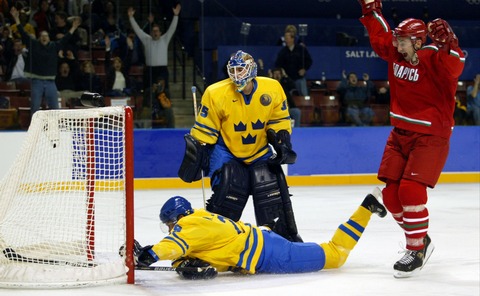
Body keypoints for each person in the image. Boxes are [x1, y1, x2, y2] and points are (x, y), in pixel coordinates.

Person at [356, 0, 465, 278]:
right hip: (400, 134)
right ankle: (421, 239)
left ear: (418, 42)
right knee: (391, 196)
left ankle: (416, 249)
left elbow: (456, 66)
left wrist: (450, 42)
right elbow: (380, 35)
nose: (397, 45)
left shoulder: (435, 58)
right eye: (398, 40)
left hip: (431, 135)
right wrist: (371, 10)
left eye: (403, 41)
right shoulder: (396, 54)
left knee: (410, 192)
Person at [178, 50, 302, 243]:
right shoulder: (215, 92)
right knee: (228, 186)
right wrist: (198, 156)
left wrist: (282, 141)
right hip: (226, 150)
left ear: (251, 70)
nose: (236, 75)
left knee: (271, 184)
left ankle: (284, 235)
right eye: (233, 70)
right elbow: (205, 130)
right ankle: (215, 240)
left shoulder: (272, 88)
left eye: (241, 69)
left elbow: (279, 119)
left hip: (259, 149)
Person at [134, 189, 387, 279]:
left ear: (176, 218)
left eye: (169, 223)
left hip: (270, 254)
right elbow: (187, 252)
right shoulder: (198, 221)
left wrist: (152, 254)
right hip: (264, 245)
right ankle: (366, 207)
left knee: (335, 255)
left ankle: (366, 208)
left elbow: (175, 244)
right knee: (332, 253)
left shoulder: (189, 226)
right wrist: (183, 265)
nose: (169, 228)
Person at [12, 6, 82, 115]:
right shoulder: (34, 44)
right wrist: (16, 19)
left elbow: (65, 38)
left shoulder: (54, 46)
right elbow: (23, 34)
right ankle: (33, 128)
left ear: (49, 38)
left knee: (54, 107)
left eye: (46, 36)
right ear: (39, 38)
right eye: (42, 36)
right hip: (36, 81)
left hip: (50, 82)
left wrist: (73, 27)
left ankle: (55, 127)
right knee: (35, 106)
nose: (44, 37)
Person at [127, 4, 180, 93]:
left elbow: (172, 28)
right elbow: (137, 30)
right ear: (151, 32)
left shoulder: (164, 39)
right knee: (149, 91)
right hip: (150, 70)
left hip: (162, 70)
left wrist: (176, 16)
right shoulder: (147, 39)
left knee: (163, 92)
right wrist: (131, 17)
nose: (155, 33)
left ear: (160, 32)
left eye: (157, 31)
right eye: (153, 31)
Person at [274, 24, 313, 96]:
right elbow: (278, 64)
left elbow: (309, 60)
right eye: (285, 38)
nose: (285, 40)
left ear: (292, 39)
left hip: (299, 78)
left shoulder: (301, 49)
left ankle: (305, 104)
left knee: (303, 89)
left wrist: (304, 69)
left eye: (287, 38)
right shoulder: (282, 52)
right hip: (287, 79)